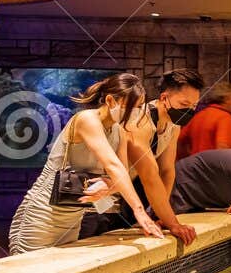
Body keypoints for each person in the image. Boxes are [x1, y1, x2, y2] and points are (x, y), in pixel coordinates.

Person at [8, 73, 168, 253]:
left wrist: (108, 184)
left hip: (73, 218)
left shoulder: (119, 131)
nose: (137, 113)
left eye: (139, 107)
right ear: (110, 100)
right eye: (132, 107)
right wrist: (139, 210)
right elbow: (113, 166)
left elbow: (121, 175)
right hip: (43, 214)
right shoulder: (87, 119)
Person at [81, 69, 201, 244]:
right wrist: (172, 223)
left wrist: (158, 214)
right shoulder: (140, 119)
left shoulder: (174, 126)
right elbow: (149, 175)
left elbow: (167, 171)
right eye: (184, 104)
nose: (189, 110)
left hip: (124, 198)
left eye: (193, 106)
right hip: (101, 198)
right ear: (164, 98)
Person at [176, 82, 231, 159]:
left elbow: (179, 141)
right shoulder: (224, 117)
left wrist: (187, 159)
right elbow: (222, 147)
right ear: (226, 99)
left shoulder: (198, 116)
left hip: (195, 167)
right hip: (214, 168)